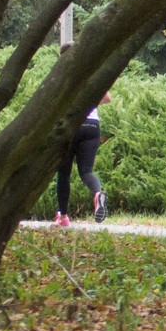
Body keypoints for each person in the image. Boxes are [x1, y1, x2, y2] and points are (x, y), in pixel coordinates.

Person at [54, 44, 111, 227]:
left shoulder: (62, 75)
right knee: (86, 171)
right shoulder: (91, 72)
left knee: (64, 173)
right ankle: (98, 194)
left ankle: (63, 217)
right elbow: (107, 98)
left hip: (72, 125)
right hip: (92, 125)